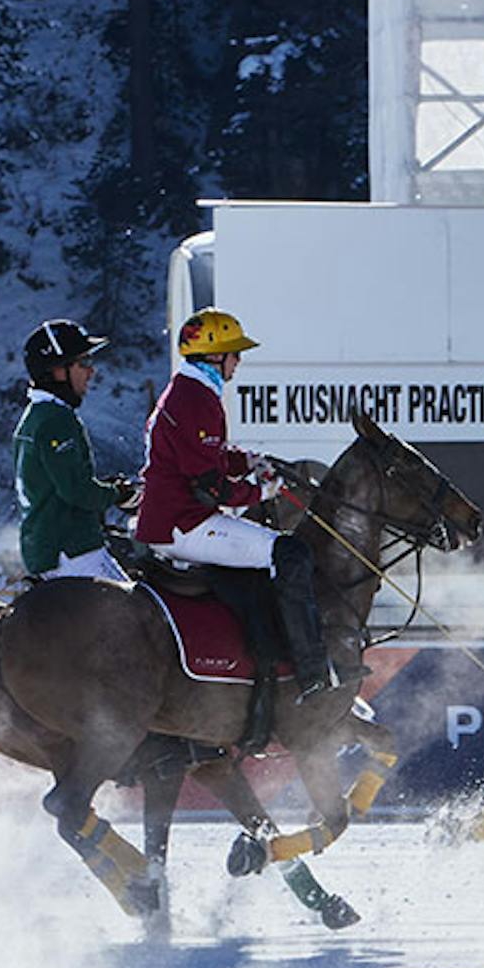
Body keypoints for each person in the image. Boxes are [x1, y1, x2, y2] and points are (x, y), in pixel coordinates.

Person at [135, 308, 342, 728]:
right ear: (214, 358)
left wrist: (244, 459)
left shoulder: (187, 390)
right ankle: (312, 672)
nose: (238, 362)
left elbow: (205, 458)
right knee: (291, 553)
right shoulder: (198, 400)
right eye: (234, 354)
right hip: (184, 524)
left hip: (173, 517)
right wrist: (259, 491)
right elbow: (207, 487)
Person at [13, 319, 138, 583]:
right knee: (143, 616)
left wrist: (106, 490)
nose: (91, 371)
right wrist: (117, 494)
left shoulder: (37, 416)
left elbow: (61, 484)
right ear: (57, 371)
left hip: (48, 548)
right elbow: (76, 491)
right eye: (83, 363)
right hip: (73, 552)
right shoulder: (55, 419)